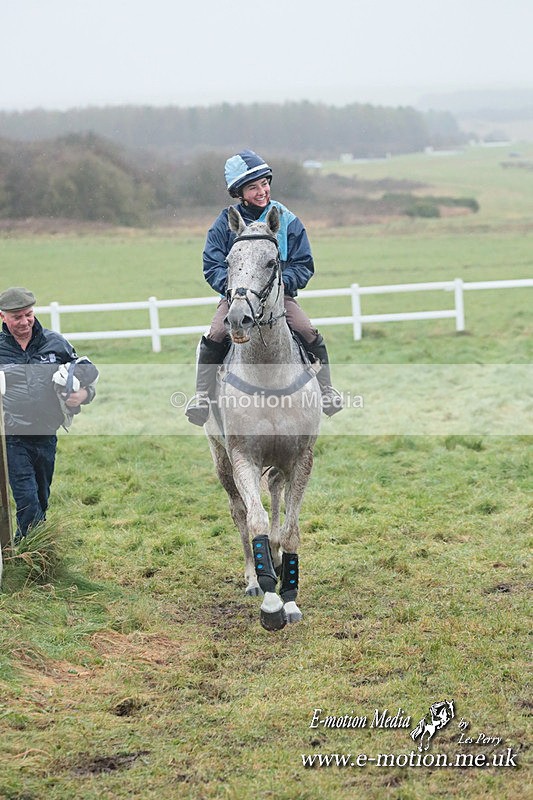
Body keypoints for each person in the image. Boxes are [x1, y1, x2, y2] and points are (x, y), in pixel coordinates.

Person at [185, 149, 343, 426]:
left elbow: (303, 263)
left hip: (278, 297)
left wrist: (281, 287)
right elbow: (212, 265)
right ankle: (202, 397)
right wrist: (237, 290)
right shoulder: (225, 223)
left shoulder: (287, 220)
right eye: (253, 187)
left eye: (264, 184)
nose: (262, 191)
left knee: (307, 330)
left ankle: (327, 392)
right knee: (216, 333)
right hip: (237, 299)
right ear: (239, 193)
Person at [0, 287, 99, 542]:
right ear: (3, 317)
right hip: (12, 438)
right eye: (17, 317)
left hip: (46, 435)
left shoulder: (55, 343)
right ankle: (29, 554)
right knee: (27, 501)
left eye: (28, 315)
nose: (24, 322)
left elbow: (86, 374)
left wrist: (83, 395)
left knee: (42, 499)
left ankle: (32, 552)